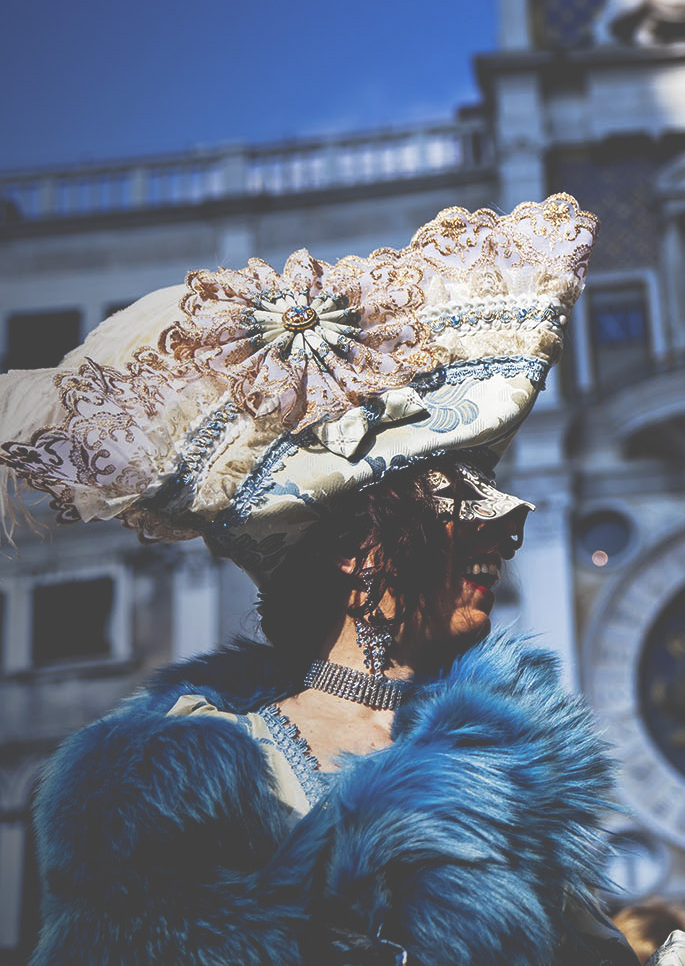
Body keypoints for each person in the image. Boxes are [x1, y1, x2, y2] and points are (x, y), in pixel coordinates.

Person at [2, 195, 634, 965]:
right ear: (356, 547)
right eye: (457, 498)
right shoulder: (174, 783)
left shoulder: (516, 760)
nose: (507, 524)